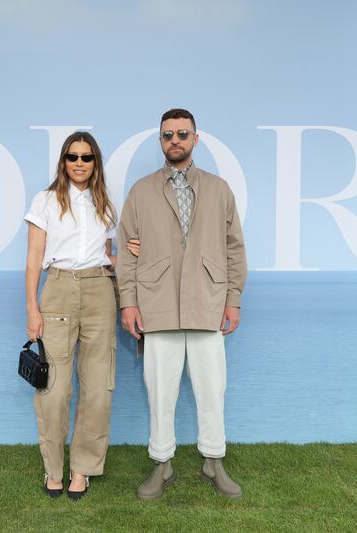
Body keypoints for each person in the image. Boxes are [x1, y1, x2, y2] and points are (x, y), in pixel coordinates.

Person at [117, 108, 247, 500]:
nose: (175, 140)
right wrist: (128, 302)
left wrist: (233, 299)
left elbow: (234, 249)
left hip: (208, 303)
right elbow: (126, 250)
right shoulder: (140, 190)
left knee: (212, 389)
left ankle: (214, 462)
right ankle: (162, 464)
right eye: (168, 134)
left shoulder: (220, 189)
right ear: (160, 141)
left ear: (195, 138)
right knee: (160, 392)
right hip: (157, 305)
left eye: (182, 134)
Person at [24, 131, 118, 501]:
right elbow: (34, 259)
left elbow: (107, 256)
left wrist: (133, 252)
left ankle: (82, 469)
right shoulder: (45, 201)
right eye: (72, 157)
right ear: (63, 162)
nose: (79, 163)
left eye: (87, 157)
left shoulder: (105, 204)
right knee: (55, 388)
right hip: (58, 290)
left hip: (100, 290)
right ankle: (53, 468)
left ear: (96, 163)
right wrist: (32, 308)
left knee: (98, 387)